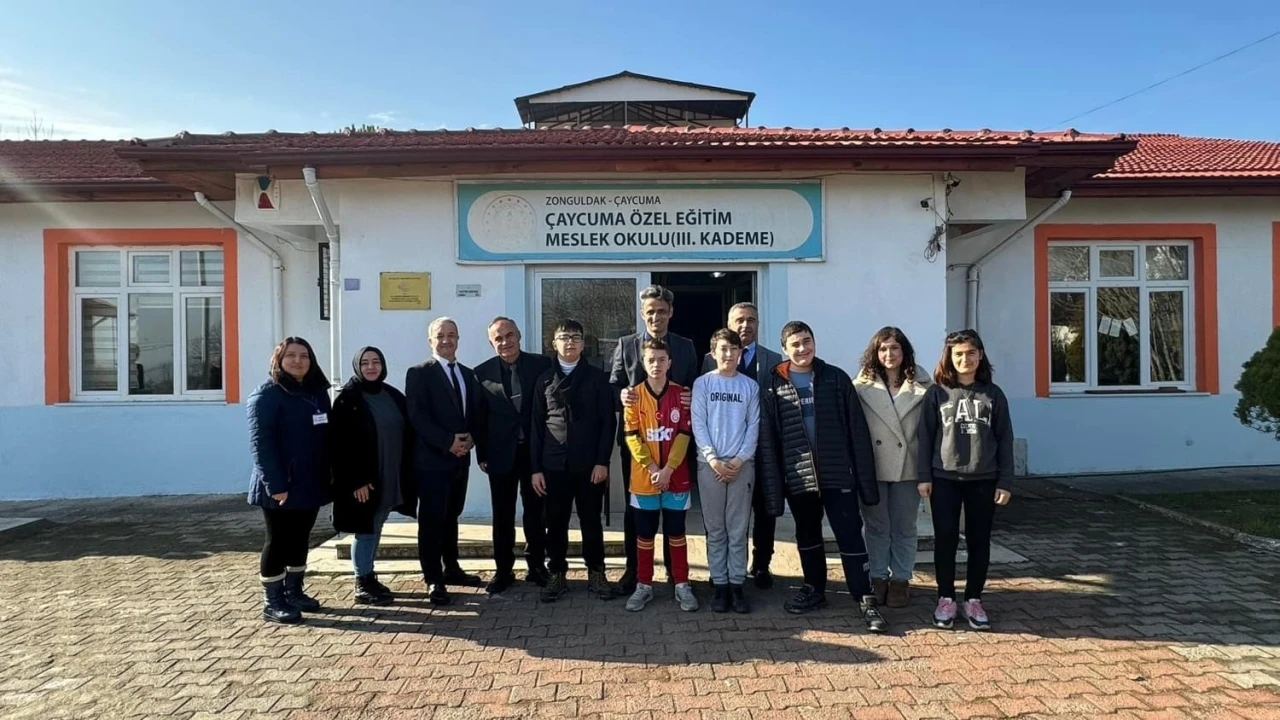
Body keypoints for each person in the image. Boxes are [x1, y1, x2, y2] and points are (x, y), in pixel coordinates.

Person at [758, 321, 887, 632]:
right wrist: (775, 487)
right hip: (799, 477)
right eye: (795, 344)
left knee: (850, 535)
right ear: (784, 349)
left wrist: (863, 478)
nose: (802, 348)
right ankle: (814, 589)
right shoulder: (773, 385)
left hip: (837, 474)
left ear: (814, 342)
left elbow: (857, 431)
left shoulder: (836, 379)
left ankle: (864, 596)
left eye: (807, 341)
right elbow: (768, 440)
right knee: (807, 536)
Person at [918, 329, 1014, 631]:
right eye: (958, 354)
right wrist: (923, 476)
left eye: (971, 353)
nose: (965, 359)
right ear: (949, 357)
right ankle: (945, 598)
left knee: (979, 540)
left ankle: (973, 598)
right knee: (945, 539)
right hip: (944, 478)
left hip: (984, 478)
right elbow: (925, 437)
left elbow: (1005, 439)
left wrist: (1005, 481)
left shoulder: (994, 394)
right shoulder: (937, 393)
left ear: (980, 355)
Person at [611, 284, 698, 598]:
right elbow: (614, 384)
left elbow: (694, 386)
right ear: (642, 313)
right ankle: (635, 572)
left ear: (670, 312)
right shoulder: (625, 344)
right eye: (650, 311)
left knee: (674, 516)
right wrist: (621, 394)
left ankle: (676, 574)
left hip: (676, 442)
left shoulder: (686, 347)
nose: (656, 316)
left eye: (661, 311)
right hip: (638, 446)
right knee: (636, 513)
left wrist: (691, 395)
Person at [246, 336, 332, 624]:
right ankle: (273, 601)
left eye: (304, 356)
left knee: (300, 538)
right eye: (291, 355)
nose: (298, 361)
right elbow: (261, 445)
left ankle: (294, 592)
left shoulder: (317, 393)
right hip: (280, 485)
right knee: (278, 542)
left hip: (310, 482)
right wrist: (276, 485)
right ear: (279, 360)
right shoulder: (267, 395)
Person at [531, 319, 617, 603]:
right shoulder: (544, 380)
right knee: (555, 522)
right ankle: (556, 573)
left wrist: (602, 462)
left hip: (590, 466)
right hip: (553, 466)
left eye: (576, 337)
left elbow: (607, 423)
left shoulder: (597, 378)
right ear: (553, 343)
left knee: (591, 521)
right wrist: (535, 469)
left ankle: (597, 573)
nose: (570, 342)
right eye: (564, 337)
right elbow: (536, 427)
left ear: (583, 344)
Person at [700, 301, 782, 589]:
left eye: (751, 320)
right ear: (729, 324)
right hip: (722, 451)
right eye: (739, 320)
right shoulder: (709, 362)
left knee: (764, 509)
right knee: (720, 518)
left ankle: (761, 564)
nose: (746, 325)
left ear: (758, 324)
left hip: (762, 448)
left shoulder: (773, 359)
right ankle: (719, 570)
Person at [330, 346, 417, 606]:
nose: (371, 367)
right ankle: (361, 582)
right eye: (365, 363)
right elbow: (340, 445)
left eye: (376, 362)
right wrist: (357, 480)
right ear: (357, 367)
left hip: (391, 474)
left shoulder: (392, 394)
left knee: (377, 524)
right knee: (365, 529)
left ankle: (369, 575)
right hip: (365, 480)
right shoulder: (347, 400)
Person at [405, 317, 483, 606]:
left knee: (452, 516)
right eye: (440, 335)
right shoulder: (419, 373)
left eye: (452, 335)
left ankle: (452, 568)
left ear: (458, 339)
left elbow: (474, 412)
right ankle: (433, 578)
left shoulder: (468, 374)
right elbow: (418, 416)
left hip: (460, 461)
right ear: (431, 341)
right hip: (432, 462)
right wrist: (448, 442)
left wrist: (471, 438)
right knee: (431, 521)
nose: (446, 340)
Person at [854, 326, 933, 609]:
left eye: (895, 348)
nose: (889, 354)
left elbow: (930, 433)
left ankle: (900, 579)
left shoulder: (924, 385)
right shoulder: (860, 387)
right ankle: (878, 577)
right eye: (883, 348)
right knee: (876, 526)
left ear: (904, 351)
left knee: (904, 526)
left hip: (908, 467)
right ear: (875, 352)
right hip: (873, 468)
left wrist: (927, 473)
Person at [473, 317, 554, 594]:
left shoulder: (541, 365)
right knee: (503, 515)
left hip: (534, 455)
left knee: (536, 513)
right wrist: (482, 454)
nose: (505, 342)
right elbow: (479, 418)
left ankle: (536, 566)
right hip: (500, 455)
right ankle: (503, 570)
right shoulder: (481, 373)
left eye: (509, 335)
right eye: (498, 338)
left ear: (519, 335)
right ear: (491, 343)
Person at [622, 338, 697, 613]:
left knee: (676, 533)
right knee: (644, 534)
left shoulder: (682, 394)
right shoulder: (633, 396)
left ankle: (682, 583)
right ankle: (644, 584)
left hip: (676, 478)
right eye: (651, 360)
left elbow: (684, 434)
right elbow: (631, 435)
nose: (656, 364)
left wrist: (669, 469)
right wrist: (653, 469)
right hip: (645, 479)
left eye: (661, 360)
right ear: (643, 363)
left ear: (670, 363)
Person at [692, 328, 759, 613]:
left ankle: (736, 584)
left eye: (734, 349)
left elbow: (753, 426)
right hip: (710, 466)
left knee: (738, 528)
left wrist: (740, 459)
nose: (729, 354)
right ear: (713, 353)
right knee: (716, 528)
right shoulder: (703, 384)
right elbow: (698, 423)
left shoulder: (750, 386)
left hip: (741, 467)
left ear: (740, 353)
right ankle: (719, 584)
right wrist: (713, 459)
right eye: (723, 349)